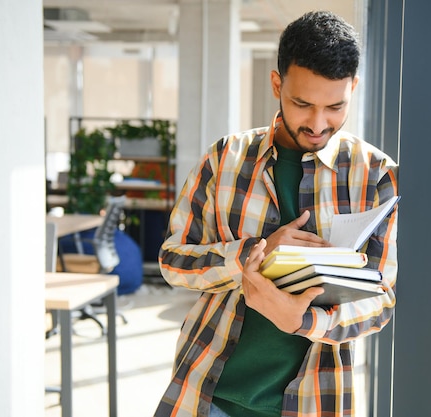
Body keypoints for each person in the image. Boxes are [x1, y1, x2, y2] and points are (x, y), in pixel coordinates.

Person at [154, 10, 398, 417]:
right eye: (302, 104)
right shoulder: (225, 158)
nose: (318, 123)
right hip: (206, 395)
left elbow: (381, 299)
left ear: (353, 87)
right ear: (276, 84)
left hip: (313, 402)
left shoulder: (375, 176)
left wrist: (304, 322)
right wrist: (253, 254)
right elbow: (173, 261)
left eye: (335, 106)